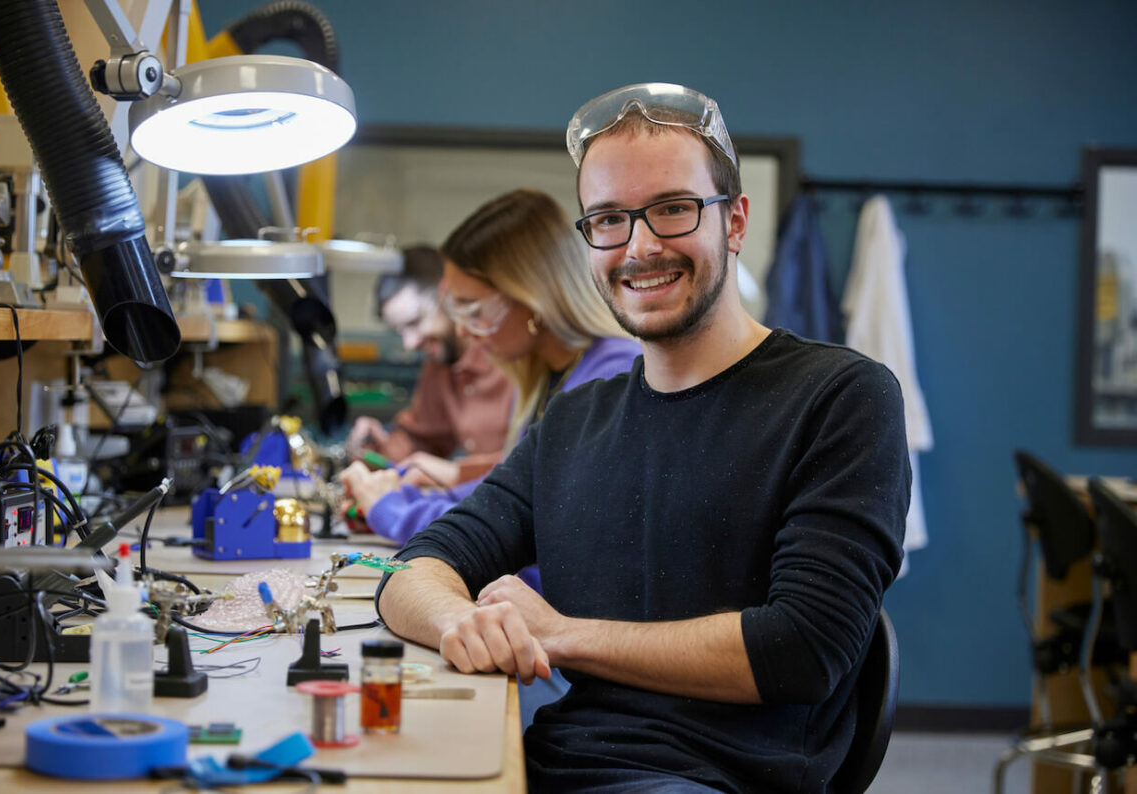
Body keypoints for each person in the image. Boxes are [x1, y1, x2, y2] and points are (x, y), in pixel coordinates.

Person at [375, 83, 911, 793]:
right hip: (557, 765)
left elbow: (803, 647)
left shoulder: (841, 398)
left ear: (736, 221)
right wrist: (456, 623)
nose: (640, 246)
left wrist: (560, 634)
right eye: (608, 219)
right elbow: (414, 569)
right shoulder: (573, 420)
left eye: (672, 209)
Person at [340, 189, 640, 562]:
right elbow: (503, 494)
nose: (464, 332)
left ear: (531, 297)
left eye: (474, 310)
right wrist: (403, 497)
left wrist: (392, 511)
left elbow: (520, 528)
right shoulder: (543, 378)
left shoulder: (610, 377)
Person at [345, 245, 513, 486]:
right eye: (400, 331)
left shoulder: (510, 356)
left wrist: (456, 473)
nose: (410, 343)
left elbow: (538, 464)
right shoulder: (439, 366)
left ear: (448, 294)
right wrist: (374, 449)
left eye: (415, 322)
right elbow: (421, 440)